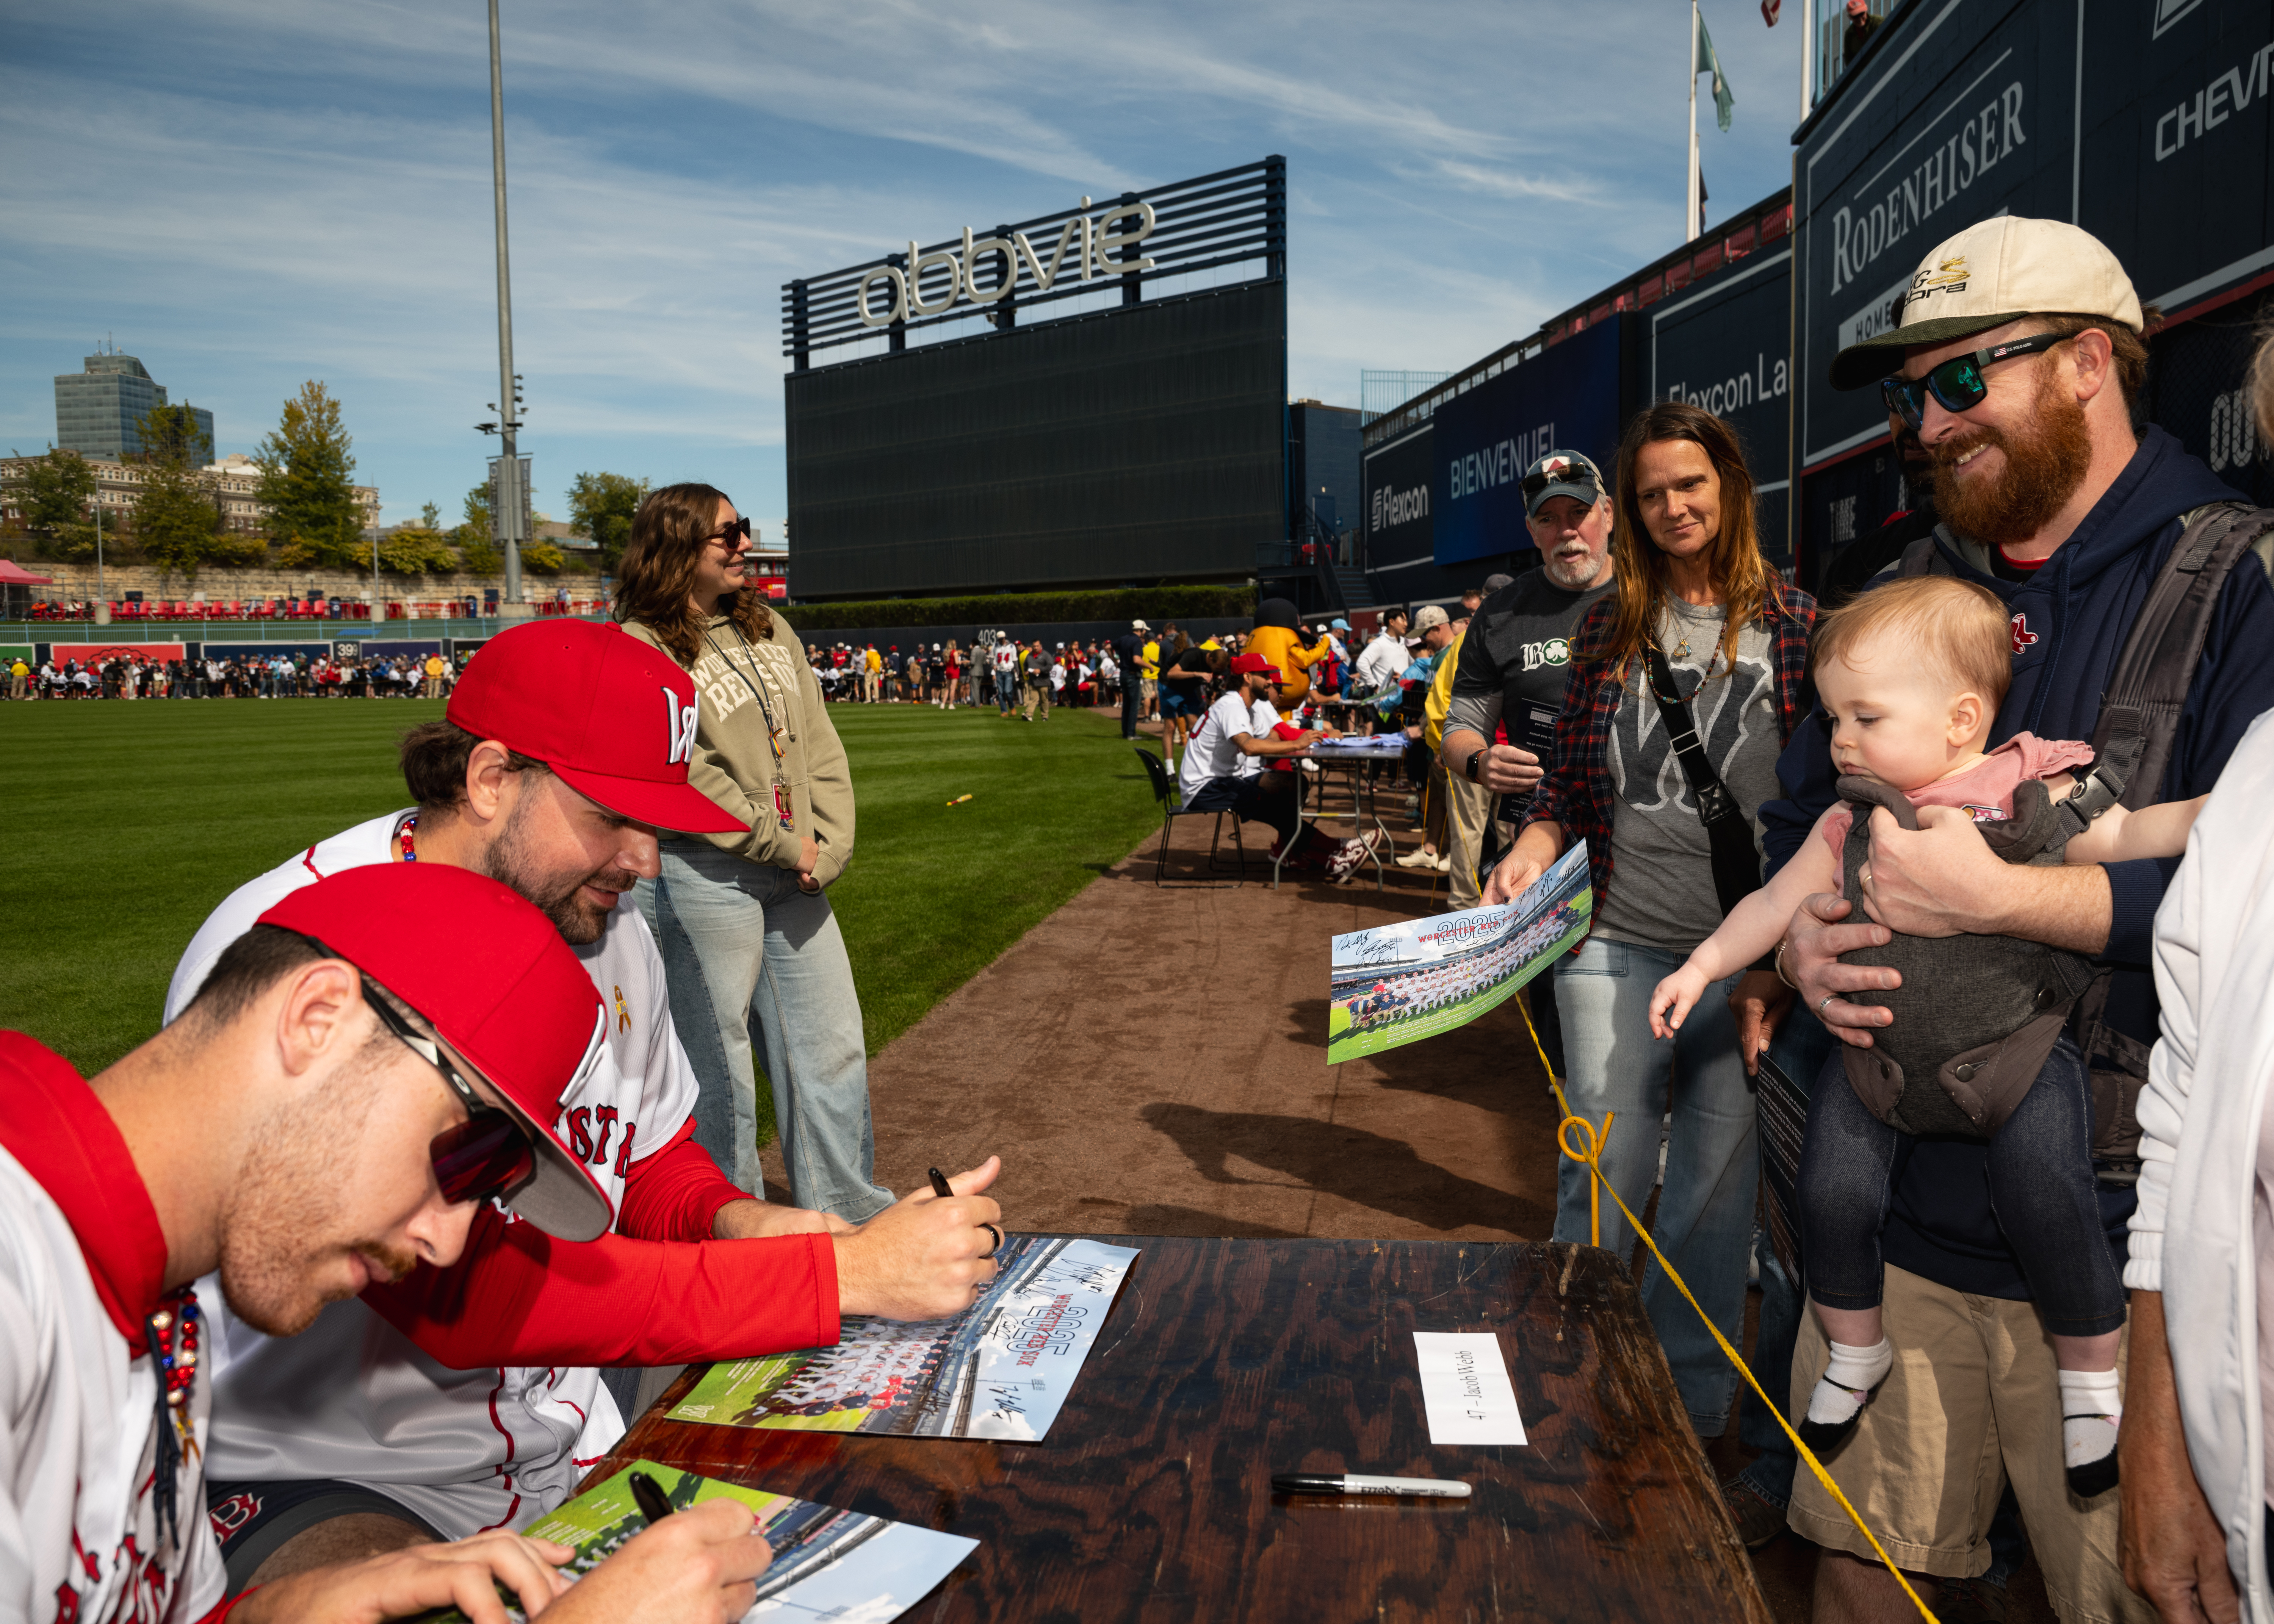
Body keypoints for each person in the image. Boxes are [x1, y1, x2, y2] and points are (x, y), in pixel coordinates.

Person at [164, 618, 1001, 1580]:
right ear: (488, 780)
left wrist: (740, 1217)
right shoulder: (295, 948)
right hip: (328, 1467)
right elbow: (464, 1294)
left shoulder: (602, 917)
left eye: (659, 824)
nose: (645, 860)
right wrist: (839, 1279)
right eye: (611, 815)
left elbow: (643, 1152)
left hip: (560, 1434)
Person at [1767, 215, 2274, 1618]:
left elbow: (2259, 895)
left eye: (1958, 382)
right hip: (1891, 1232)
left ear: (2087, 365)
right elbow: (1802, 817)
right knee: (1860, 1583)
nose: (1924, 426)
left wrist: (2015, 900)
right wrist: (1804, 936)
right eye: (1909, 395)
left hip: (2131, 1265)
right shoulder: (1901, 578)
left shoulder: (2238, 579)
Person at [5, 862, 780, 1624]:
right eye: (462, 1155)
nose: (445, 1245)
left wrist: (267, 1611)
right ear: (317, 1020)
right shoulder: (19, 1257)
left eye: (488, 1186)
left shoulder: (155, 1296)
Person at [1651, 575, 2207, 1496]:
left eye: (1864, 716)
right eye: (1833, 717)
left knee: (2046, 1192)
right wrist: (1703, 966)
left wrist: (2221, 814)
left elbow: (2125, 835)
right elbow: (1772, 902)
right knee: (1827, 1194)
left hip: (2016, 1056)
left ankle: (2087, 1377)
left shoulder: (2033, 783)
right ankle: (1855, 1351)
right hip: (1877, 1061)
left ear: (1959, 719)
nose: (1839, 739)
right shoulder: (1846, 817)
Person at [1482, 400, 1815, 1440]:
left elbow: (1821, 806)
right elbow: (1573, 795)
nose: (1673, 506)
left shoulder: (1798, 624)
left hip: (1745, 954)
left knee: (1714, 1195)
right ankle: (1566, 1370)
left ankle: (1679, 1410)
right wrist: (1533, 847)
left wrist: (1771, 964)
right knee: (1605, 1157)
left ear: (1730, 488)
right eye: (1653, 493)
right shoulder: (1606, 628)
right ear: (1631, 510)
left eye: (1691, 485)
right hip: (1615, 934)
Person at [611, 487, 895, 1230]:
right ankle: (732, 1235)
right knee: (721, 1072)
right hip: (704, 876)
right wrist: (780, 840)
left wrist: (829, 842)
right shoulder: (643, 645)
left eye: (745, 532)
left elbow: (819, 739)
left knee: (831, 1049)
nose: (744, 546)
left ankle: (848, 1218)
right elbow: (686, 770)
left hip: (794, 873)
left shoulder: (770, 626)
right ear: (676, 550)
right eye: (726, 535)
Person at [1442, 452, 1618, 1036]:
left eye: (1580, 512)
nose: (1567, 530)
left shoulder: (1656, 592)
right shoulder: (1503, 612)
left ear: (1609, 514)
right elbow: (1459, 725)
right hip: (1546, 841)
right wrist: (1480, 759)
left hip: (1646, 837)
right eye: (1549, 518)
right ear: (1532, 530)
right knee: (1564, 1010)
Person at [1178, 652, 1371, 879]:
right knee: (1274, 807)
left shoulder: (1241, 705)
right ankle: (1334, 852)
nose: (1271, 681)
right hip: (1204, 787)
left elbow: (1269, 737)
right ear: (1248, 678)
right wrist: (1297, 743)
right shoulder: (1232, 706)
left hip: (1218, 780)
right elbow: (1249, 746)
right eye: (1265, 676)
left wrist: (1302, 737)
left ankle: (1297, 851)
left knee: (1291, 785)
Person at [1245, 599, 1333, 710]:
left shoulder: (1254, 637)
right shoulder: (1282, 635)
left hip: (1254, 696)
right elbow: (1306, 659)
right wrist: (1325, 643)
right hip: (1279, 697)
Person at [1354, 609, 1411, 695]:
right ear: (1392, 622)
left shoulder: (1405, 642)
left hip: (1404, 696)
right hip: (1385, 701)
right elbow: (1361, 663)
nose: (1406, 624)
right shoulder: (1379, 643)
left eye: (1406, 621)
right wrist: (1375, 687)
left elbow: (1413, 665)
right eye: (1403, 620)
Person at [993, 632, 1018, 718]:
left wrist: (1017, 671)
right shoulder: (995, 646)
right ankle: (1004, 711)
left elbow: (1015, 659)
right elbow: (992, 657)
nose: (1001, 640)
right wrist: (993, 665)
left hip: (1008, 671)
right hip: (999, 671)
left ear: (1005, 638)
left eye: (1002, 639)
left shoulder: (1012, 646)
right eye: (999, 639)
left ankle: (1012, 707)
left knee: (1008, 691)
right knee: (1001, 693)